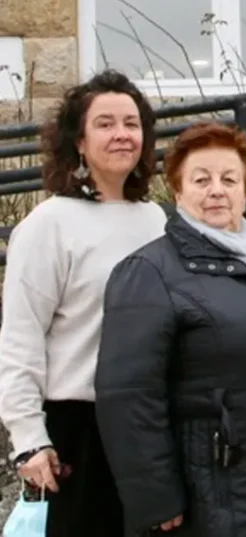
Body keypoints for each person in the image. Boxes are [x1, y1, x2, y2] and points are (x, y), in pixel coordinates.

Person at [93, 122, 246, 536]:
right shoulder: (148, 273)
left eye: (229, 179)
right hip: (208, 498)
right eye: (201, 180)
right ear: (178, 191)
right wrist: (155, 497)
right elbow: (129, 397)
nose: (217, 190)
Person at [0, 69, 167, 537]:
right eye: (106, 124)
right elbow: (20, 336)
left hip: (151, 422)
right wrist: (29, 439)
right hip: (77, 428)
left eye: (132, 124)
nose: (122, 135)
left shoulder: (156, 219)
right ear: (78, 140)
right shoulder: (48, 225)